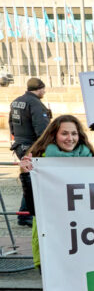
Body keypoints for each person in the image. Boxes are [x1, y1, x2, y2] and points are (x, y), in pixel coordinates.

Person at [18, 115, 94, 268]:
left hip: (87, 238)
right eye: (64, 133)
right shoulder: (39, 162)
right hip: (54, 240)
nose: (70, 138)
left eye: (74, 133)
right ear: (54, 136)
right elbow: (34, 208)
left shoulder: (89, 160)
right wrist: (26, 175)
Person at [8, 77, 51, 226]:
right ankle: (25, 216)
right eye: (43, 89)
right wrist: (45, 147)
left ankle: (24, 215)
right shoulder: (35, 104)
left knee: (30, 178)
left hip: (19, 145)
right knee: (33, 180)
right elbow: (43, 130)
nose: (44, 91)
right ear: (39, 88)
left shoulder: (16, 101)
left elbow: (11, 125)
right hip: (32, 146)